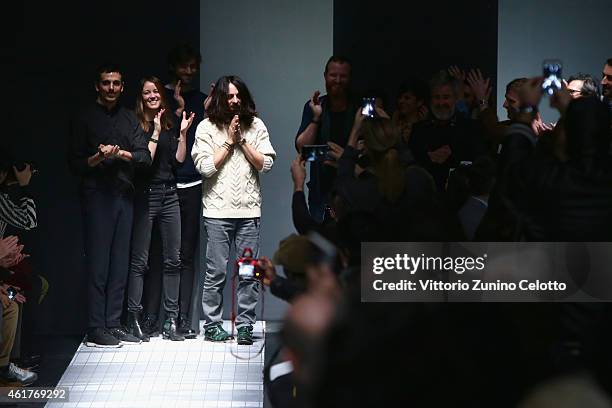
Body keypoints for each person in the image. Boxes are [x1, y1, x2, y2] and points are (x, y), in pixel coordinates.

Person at [68, 64, 151, 348]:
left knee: (120, 264)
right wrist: (97, 158)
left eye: (116, 83)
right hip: (97, 196)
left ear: (122, 86)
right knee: (99, 264)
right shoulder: (85, 118)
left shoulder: (129, 118)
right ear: (97, 86)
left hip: (123, 195)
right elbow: (75, 162)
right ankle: (95, 327)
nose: (111, 88)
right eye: (106, 83)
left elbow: (143, 157)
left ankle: (113, 324)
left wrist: (121, 154)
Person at [192, 75, 276, 345]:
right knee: (215, 271)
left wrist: (242, 141)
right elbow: (205, 168)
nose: (235, 100)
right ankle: (213, 324)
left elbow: (266, 164)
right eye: (229, 96)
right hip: (217, 212)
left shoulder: (256, 126)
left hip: (248, 212)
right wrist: (229, 141)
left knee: (248, 272)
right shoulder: (205, 128)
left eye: (238, 95)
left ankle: (245, 326)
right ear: (219, 98)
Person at [126, 77, 195, 342]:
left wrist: (184, 133)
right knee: (140, 261)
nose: (153, 95)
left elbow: (178, 161)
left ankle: (171, 320)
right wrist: (154, 130)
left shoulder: (168, 122)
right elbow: (145, 161)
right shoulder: (138, 124)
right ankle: (134, 318)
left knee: (173, 260)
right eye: (147, 92)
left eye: (155, 91)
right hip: (147, 194)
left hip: (170, 194)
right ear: (141, 97)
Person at [159, 43, 210, 338]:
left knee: (187, 253)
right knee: (164, 254)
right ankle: (162, 317)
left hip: (191, 183)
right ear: (173, 67)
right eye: (184, 66)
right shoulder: (158, 97)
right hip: (163, 182)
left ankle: (185, 319)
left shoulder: (201, 101)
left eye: (193, 66)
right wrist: (176, 109)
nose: (189, 72)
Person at [295, 56, 357, 222]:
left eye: (343, 76)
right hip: (320, 192)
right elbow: (302, 149)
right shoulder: (316, 105)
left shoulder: (358, 108)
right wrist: (316, 118)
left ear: (349, 78)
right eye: (333, 75)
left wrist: (344, 158)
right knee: (319, 244)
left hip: (353, 192)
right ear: (325, 76)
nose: (338, 80)